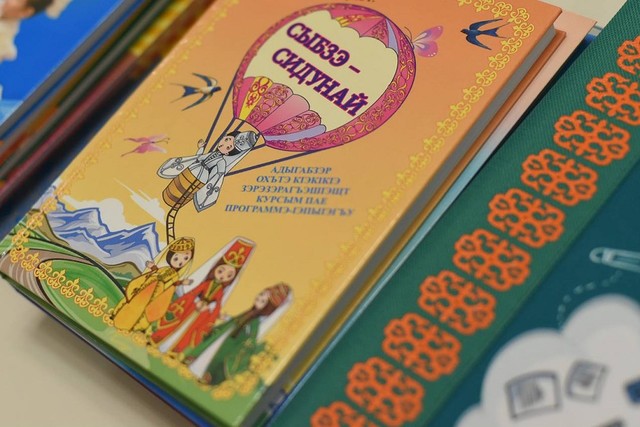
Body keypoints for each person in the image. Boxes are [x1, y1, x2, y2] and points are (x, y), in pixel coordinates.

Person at [149, 238, 255, 355]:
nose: (223, 276)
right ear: (215, 269)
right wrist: (197, 301)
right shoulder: (206, 283)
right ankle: (159, 341)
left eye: (229, 275)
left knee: (189, 331)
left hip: (201, 314)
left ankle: (175, 350)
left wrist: (209, 307)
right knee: (177, 323)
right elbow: (194, 292)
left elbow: (218, 303)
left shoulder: (220, 291)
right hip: (191, 308)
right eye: (221, 271)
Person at [183, 283, 292, 385]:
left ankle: (205, 374)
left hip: (231, 343)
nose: (258, 299)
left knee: (215, 356)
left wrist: (246, 337)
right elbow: (235, 321)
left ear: (268, 308)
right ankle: (194, 366)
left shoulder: (255, 322)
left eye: (263, 301)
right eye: (260, 294)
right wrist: (226, 319)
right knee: (210, 349)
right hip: (226, 335)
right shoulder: (249, 313)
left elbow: (252, 337)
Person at [158, 130, 259, 212]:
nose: (224, 145)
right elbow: (199, 157)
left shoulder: (221, 162)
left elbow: (218, 174)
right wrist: (201, 148)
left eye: (228, 147)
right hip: (193, 169)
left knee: (184, 192)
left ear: (228, 153)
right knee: (178, 183)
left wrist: (220, 172)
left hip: (201, 177)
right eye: (226, 139)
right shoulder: (213, 154)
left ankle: (174, 203)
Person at [112, 237, 195, 332]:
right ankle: (117, 315)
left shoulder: (175, 275)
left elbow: (172, 282)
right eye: (176, 258)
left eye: (185, 258)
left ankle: (129, 325)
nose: (180, 261)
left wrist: (182, 282)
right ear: (170, 256)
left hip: (154, 293)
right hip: (147, 286)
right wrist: (152, 267)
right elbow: (158, 272)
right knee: (133, 302)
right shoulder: (165, 268)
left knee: (141, 308)